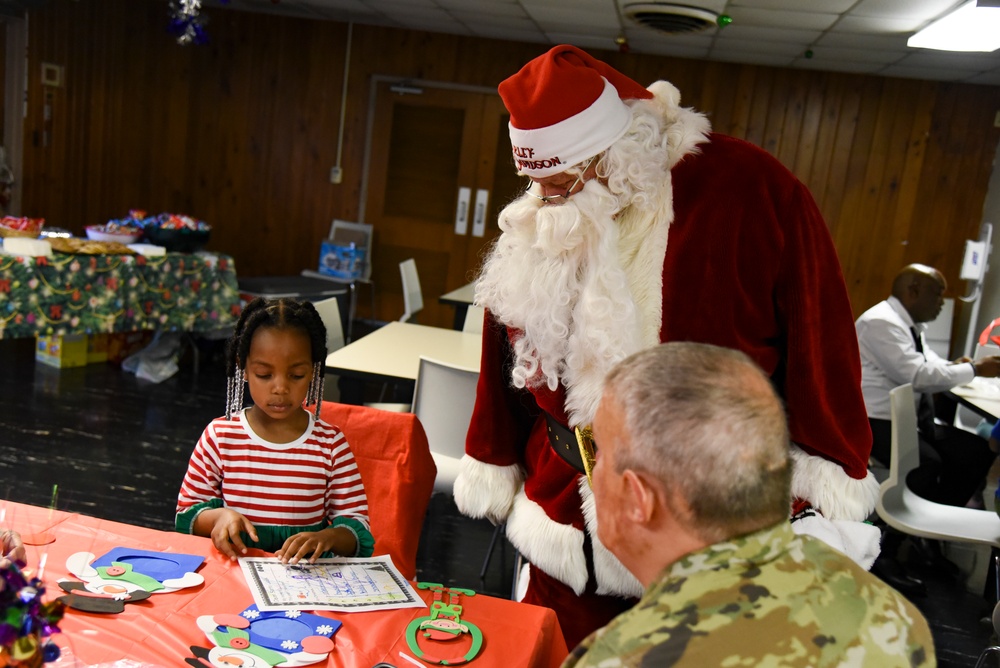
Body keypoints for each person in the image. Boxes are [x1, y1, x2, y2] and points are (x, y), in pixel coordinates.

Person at [454, 44, 880, 646]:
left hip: (714, 527)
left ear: (613, 149)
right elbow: (505, 360)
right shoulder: (546, 213)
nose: (547, 198)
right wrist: (493, 456)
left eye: (565, 179)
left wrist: (827, 469)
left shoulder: (750, 190)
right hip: (566, 525)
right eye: (536, 181)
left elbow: (822, 334)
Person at [562, 342, 934, 667]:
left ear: (639, 497)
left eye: (599, 453)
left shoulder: (621, 657)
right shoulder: (896, 617)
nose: (592, 469)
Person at [176, 297, 374, 563]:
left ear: (314, 370)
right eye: (264, 374)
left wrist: (328, 538)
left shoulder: (330, 444)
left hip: (308, 579)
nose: (280, 388)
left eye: (296, 375)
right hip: (234, 570)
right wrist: (220, 517)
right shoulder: (220, 436)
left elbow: (356, 527)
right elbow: (188, 513)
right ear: (243, 367)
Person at [857, 263, 1000, 508]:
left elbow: (927, 361)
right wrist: (975, 369)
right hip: (874, 421)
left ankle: (938, 518)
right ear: (913, 290)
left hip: (903, 419)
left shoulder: (910, 326)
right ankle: (907, 525)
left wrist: (954, 366)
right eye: (937, 295)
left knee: (976, 451)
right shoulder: (881, 322)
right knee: (927, 462)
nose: (941, 303)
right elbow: (918, 376)